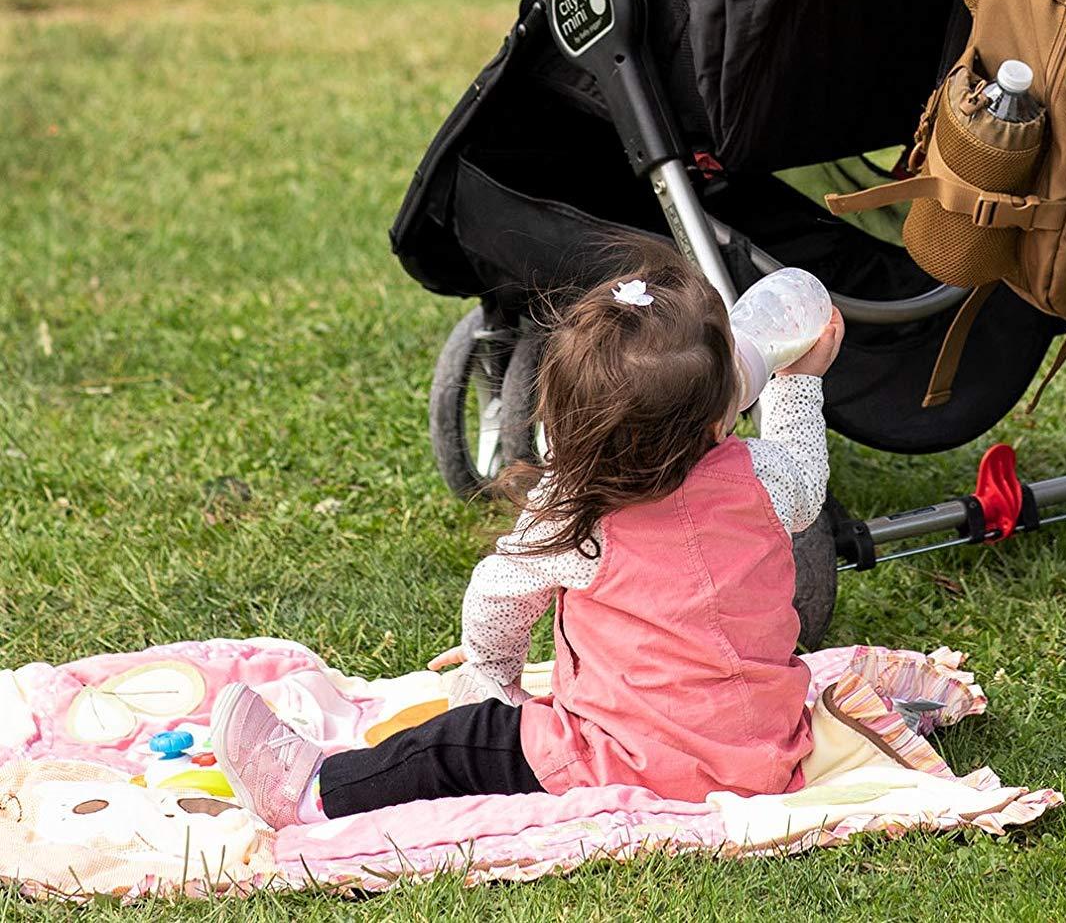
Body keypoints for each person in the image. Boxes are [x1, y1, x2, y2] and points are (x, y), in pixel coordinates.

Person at [208, 247, 846, 824]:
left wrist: (493, 673)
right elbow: (808, 483)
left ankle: (313, 791)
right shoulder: (760, 476)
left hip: (636, 762)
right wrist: (799, 379)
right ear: (719, 417)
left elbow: (500, 595)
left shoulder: (577, 508)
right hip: (764, 749)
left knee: (458, 744)